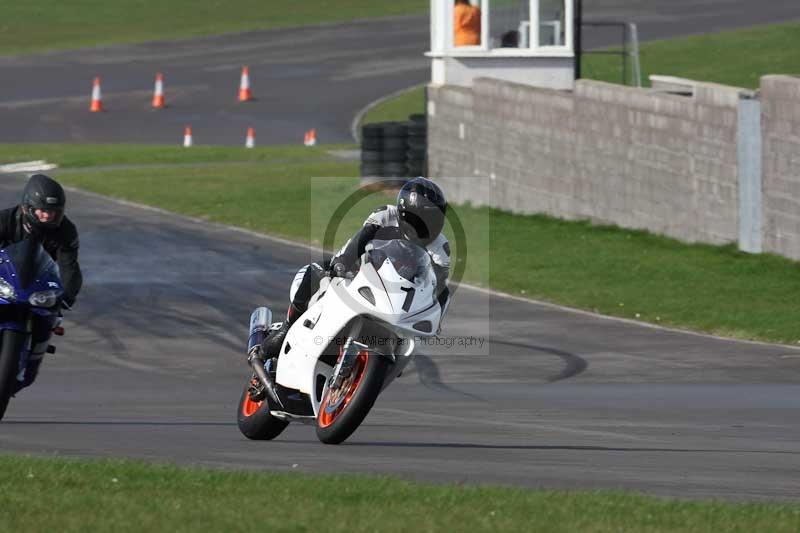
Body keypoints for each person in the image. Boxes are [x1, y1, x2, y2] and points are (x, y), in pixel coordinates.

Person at [261, 177, 451, 357]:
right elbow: (361, 239)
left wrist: (436, 317)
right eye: (422, 220)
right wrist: (343, 262)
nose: (428, 227)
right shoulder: (385, 214)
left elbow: (440, 286)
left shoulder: (440, 247)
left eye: (434, 220)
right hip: (359, 269)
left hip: (398, 292)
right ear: (404, 213)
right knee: (315, 271)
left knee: (411, 338)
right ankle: (287, 328)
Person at [0, 174, 83, 393]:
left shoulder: (66, 231)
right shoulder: (5, 220)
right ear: (28, 207)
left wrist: (66, 297)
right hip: (3, 281)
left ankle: (32, 358)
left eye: (53, 212)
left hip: (39, 285)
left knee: (51, 318)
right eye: (42, 211)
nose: (47, 216)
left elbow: (69, 266)